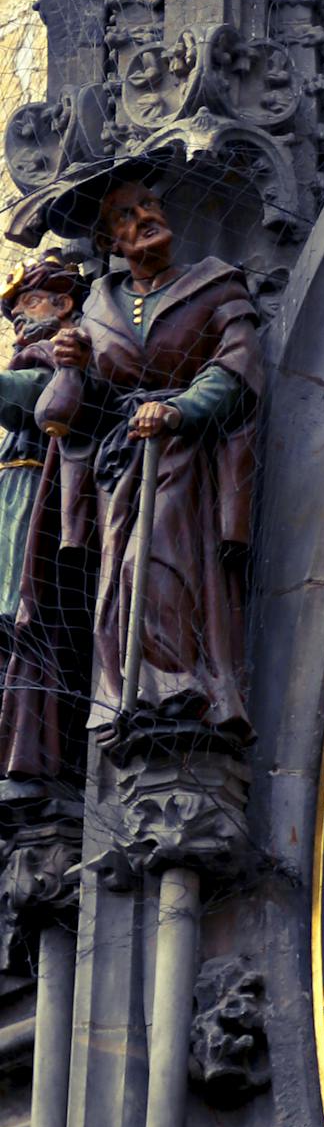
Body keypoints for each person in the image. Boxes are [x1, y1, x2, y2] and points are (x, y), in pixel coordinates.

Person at [42, 168, 262, 739]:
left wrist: (179, 409)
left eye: (149, 205)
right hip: (121, 464)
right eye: (126, 214)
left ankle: (180, 682)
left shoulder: (216, 284)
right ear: (108, 242)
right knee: (118, 576)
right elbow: (81, 412)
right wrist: (74, 366)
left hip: (185, 455)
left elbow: (237, 366)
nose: (145, 217)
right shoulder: (97, 307)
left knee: (160, 559)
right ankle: (130, 691)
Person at [0, 258, 90, 780]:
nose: (18, 317)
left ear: (64, 304)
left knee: (27, 615)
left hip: (40, 499)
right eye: (13, 311)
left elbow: (30, 399)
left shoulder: (63, 352)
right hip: (15, 496)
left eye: (28, 303)